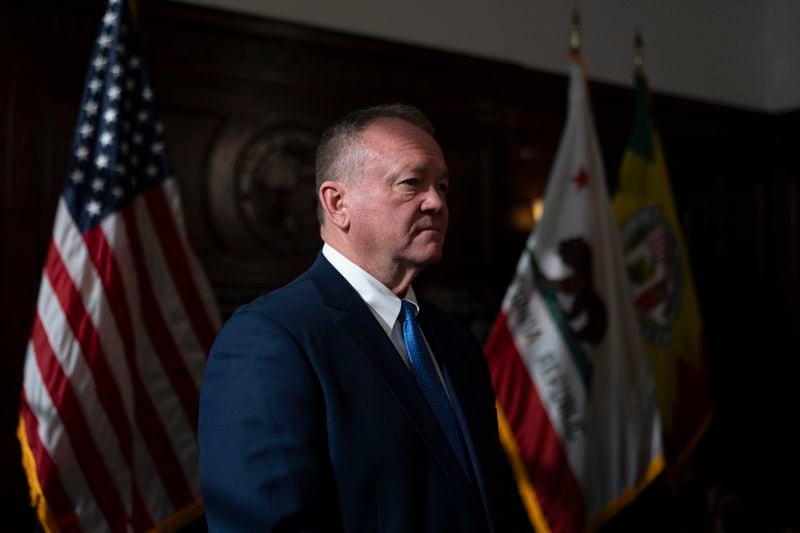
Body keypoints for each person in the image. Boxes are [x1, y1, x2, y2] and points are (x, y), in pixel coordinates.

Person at [198, 104, 533, 533]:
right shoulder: (270, 339)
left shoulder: (455, 341)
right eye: (412, 183)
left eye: (443, 186)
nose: (437, 202)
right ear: (337, 203)